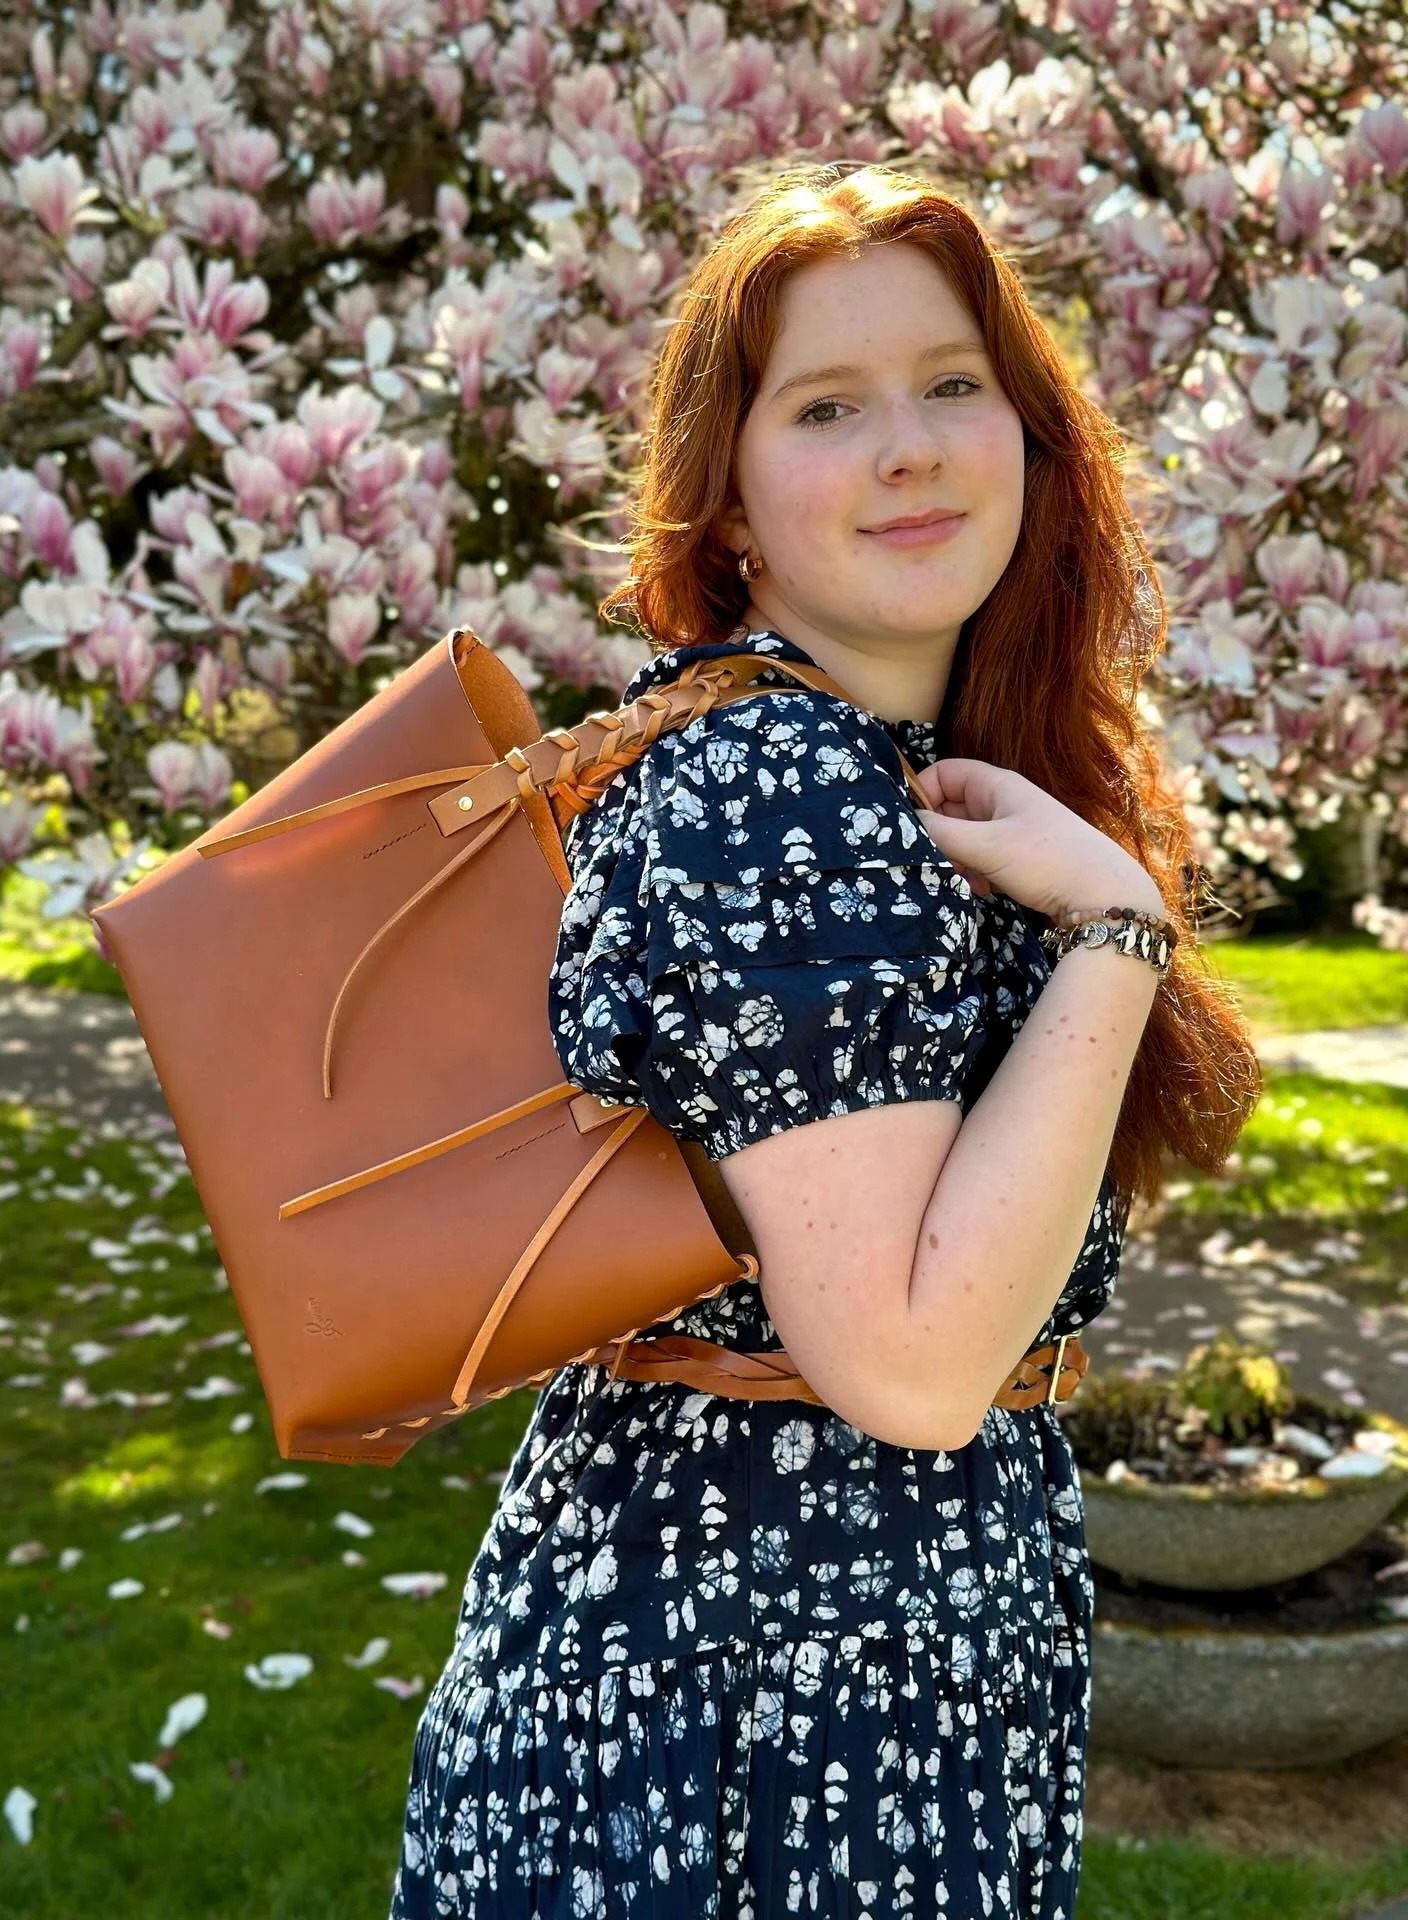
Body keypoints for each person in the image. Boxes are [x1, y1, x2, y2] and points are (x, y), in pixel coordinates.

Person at [389, 161, 1259, 1918]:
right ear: (728, 510)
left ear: (1031, 435)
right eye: (829, 407)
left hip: (830, 1656)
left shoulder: (888, 772)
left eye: (951, 384)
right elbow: (913, 1367)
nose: (910, 448)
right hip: (768, 1695)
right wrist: (1114, 937)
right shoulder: (785, 786)